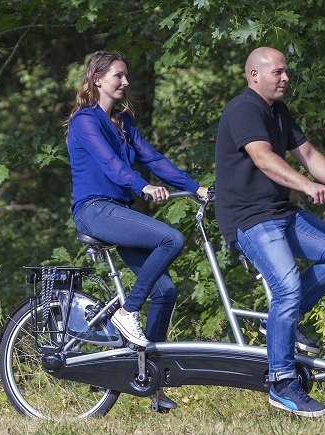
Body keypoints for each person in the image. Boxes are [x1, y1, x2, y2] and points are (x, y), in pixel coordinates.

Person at [214, 47, 325, 418]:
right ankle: (281, 382)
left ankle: (282, 324)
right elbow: (263, 158)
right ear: (254, 76)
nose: (285, 78)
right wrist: (308, 187)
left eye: (286, 72)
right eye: (278, 72)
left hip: (280, 212)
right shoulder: (243, 109)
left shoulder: (278, 111)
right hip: (250, 218)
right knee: (287, 287)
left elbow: (308, 154)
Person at [65, 51, 207, 408]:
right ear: (98, 79)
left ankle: (151, 382)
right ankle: (127, 312)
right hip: (95, 210)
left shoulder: (123, 123)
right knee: (171, 238)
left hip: (117, 211)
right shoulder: (85, 121)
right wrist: (142, 186)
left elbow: (153, 158)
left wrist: (195, 187)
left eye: (126, 76)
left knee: (165, 291)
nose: (125, 82)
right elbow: (110, 164)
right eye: (118, 75)